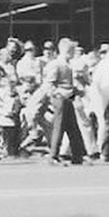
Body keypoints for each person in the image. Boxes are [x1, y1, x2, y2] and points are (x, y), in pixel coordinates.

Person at [44, 37, 86, 166]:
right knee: (59, 126)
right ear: (67, 50)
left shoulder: (67, 65)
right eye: (72, 50)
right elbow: (49, 84)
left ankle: (78, 155)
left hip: (67, 98)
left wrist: (75, 92)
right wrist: (59, 93)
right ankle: (54, 155)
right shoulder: (56, 64)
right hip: (60, 99)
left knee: (72, 126)